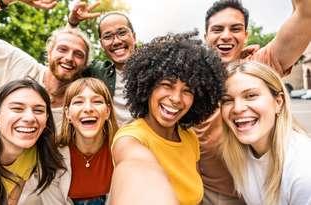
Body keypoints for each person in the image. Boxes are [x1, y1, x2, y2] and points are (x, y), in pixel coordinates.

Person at [195, 0, 311, 204]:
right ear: (206, 37)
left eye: (236, 28)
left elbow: (306, 15)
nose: (226, 35)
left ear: (246, 35)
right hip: (214, 198)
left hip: (273, 193)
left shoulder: (258, 67)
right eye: (217, 29)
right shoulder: (188, 85)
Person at [111, 32, 226, 205]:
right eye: (167, 85)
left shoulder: (190, 137)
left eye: (188, 90)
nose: (176, 98)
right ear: (148, 87)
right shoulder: (130, 139)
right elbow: (137, 170)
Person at [0, 0, 92, 130]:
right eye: (62, 49)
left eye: (78, 54)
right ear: (49, 53)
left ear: (85, 64)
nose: (69, 58)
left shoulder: (86, 104)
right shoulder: (20, 67)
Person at [220, 60, 311, 205]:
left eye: (251, 95)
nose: (237, 108)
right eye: (227, 100)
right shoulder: (237, 154)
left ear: (278, 102)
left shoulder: (304, 167)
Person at [25, 77, 118, 205]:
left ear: (107, 111)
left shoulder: (121, 150)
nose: (88, 108)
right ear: (67, 113)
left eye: (97, 101)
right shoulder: (52, 157)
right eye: (78, 102)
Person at [68, 1, 136, 126]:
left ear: (134, 37)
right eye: (108, 36)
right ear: (102, 44)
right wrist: (72, 24)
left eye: (122, 33)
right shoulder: (98, 72)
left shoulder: (155, 70)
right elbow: (69, 56)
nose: (116, 41)